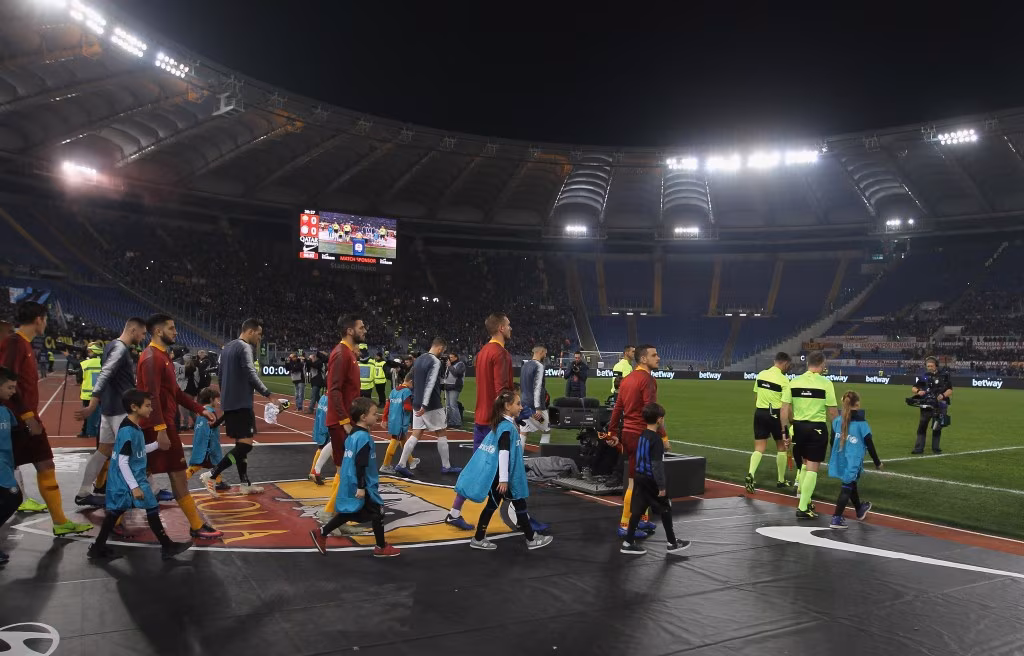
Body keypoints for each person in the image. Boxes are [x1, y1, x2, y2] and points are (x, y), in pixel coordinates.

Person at [0, 301, 93, 536]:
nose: (46, 323)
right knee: (24, 468)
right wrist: (27, 416)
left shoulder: (23, 344)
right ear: (39, 319)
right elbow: (6, 381)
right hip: (18, 419)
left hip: (22, 418)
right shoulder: (15, 343)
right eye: (46, 319)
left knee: (43, 463)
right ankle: (60, 522)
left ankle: (60, 522)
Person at [136, 313, 222, 540]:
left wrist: (199, 409)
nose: (176, 332)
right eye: (172, 328)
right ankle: (196, 525)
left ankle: (113, 521)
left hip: (160, 424)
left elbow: (174, 392)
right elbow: (152, 396)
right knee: (174, 474)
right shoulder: (152, 358)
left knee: (141, 474)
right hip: (158, 426)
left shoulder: (162, 356)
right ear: (158, 331)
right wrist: (161, 430)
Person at [87, 389, 193, 561]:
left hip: (125, 479)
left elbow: (138, 450)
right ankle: (167, 546)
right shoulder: (128, 431)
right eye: (148, 406)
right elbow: (123, 462)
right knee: (150, 508)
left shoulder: (132, 426)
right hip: (129, 479)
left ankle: (97, 547)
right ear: (134, 407)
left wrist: (156, 445)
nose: (151, 409)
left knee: (115, 512)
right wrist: (134, 487)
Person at [454, 389, 553, 551]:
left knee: (515, 505)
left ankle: (528, 537)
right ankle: (526, 538)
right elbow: (504, 453)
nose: (521, 407)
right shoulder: (506, 428)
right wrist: (504, 480)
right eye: (518, 404)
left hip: (503, 476)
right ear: (507, 406)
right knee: (502, 506)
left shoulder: (503, 424)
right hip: (502, 478)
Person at [445, 313, 514, 531]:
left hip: (481, 419)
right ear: (501, 328)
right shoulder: (500, 353)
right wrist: (518, 415)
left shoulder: (482, 352)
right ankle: (524, 521)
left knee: (477, 468)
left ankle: (454, 512)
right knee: (510, 469)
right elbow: (502, 392)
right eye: (508, 325)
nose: (511, 328)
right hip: (496, 422)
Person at [309, 397, 401, 558]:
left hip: (351, 479)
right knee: (377, 512)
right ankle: (380, 547)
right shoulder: (364, 438)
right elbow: (361, 464)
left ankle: (322, 533)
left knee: (352, 512)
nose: (377, 416)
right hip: (363, 482)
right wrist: (361, 486)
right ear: (364, 417)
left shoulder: (352, 435)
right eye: (374, 414)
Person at [74, 318, 147, 508]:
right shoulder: (120, 348)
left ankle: (83, 492)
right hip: (121, 411)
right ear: (133, 330)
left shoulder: (111, 346)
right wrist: (92, 404)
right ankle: (145, 492)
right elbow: (105, 373)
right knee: (133, 453)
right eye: (142, 333)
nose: (143, 337)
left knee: (104, 451)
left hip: (109, 409)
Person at [201, 319, 275, 496]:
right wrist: (268, 394)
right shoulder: (245, 347)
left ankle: (244, 483)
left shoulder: (226, 348)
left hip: (231, 403)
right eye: (259, 334)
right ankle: (212, 474)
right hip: (242, 403)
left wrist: (225, 398)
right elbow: (250, 373)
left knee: (240, 444)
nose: (260, 338)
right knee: (246, 446)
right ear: (250, 331)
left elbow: (220, 376)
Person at [606, 344, 668, 539]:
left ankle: (642, 519)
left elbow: (618, 408)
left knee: (644, 481)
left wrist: (612, 431)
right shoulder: (647, 380)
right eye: (654, 355)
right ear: (643, 359)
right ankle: (625, 524)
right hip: (642, 435)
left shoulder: (627, 380)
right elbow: (651, 410)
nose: (658, 358)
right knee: (636, 482)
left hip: (628, 434)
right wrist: (663, 436)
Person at [620, 403, 691, 556]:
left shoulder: (643, 435)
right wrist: (662, 487)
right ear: (659, 420)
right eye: (663, 418)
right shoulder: (656, 440)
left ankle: (628, 542)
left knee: (637, 510)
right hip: (651, 479)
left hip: (639, 477)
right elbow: (656, 465)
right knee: (665, 507)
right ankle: (672, 543)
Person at [780, 350, 838, 520]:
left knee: (805, 464)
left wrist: (784, 432)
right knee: (812, 468)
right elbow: (833, 412)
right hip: (816, 428)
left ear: (807, 363)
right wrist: (837, 432)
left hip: (798, 428)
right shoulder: (826, 383)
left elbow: (784, 410)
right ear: (823, 364)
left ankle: (805, 499)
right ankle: (803, 507)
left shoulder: (793, 382)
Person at [320, 315, 366, 519]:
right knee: (345, 470)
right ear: (350, 330)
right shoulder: (341, 354)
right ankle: (331, 514)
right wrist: (345, 421)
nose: (365, 330)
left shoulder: (349, 354)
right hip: (342, 423)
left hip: (347, 420)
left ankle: (335, 514)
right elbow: (334, 390)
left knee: (347, 469)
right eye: (361, 327)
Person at [395, 338, 461, 477]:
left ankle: (401, 464)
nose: (443, 352)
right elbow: (430, 384)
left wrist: (418, 400)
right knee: (441, 432)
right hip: (431, 404)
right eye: (443, 350)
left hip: (416, 402)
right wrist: (425, 404)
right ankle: (446, 466)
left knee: (416, 433)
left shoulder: (419, 359)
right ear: (440, 348)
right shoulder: (435, 362)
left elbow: (412, 379)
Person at [828, 391, 882, 529]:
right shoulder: (862, 423)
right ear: (857, 404)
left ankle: (859, 510)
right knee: (846, 487)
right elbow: (869, 444)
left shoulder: (837, 421)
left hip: (839, 458)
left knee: (851, 483)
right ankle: (836, 518)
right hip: (853, 460)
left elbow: (832, 441)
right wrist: (877, 462)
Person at [745, 352, 793, 494]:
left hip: (760, 412)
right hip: (775, 414)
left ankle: (750, 474)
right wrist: (786, 426)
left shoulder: (761, 374)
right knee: (781, 447)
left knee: (759, 447)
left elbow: (756, 396)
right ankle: (781, 480)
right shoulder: (784, 380)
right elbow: (785, 407)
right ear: (785, 363)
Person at [186, 388, 230, 492]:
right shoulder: (210, 412)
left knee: (213, 463)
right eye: (216, 399)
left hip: (201, 441)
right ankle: (184, 478)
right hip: (208, 443)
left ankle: (218, 481)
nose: (218, 402)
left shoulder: (201, 411)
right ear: (211, 399)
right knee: (202, 463)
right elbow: (212, 426)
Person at [0, 367, 23, 564]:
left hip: (6, 465)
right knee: (13, 498)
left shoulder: (6, 411)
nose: (13, 391)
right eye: (9, 387)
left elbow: (13, 436)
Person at [910, 356, 952, 455]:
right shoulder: (924, 376)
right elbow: (914, 388)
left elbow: (950, 390)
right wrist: (918, 391)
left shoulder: (944, 376)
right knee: (922, 426)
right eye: (928, 366)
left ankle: (936, 448)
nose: (929, 368)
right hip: (927, 404)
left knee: (937, 427)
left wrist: (943, 395)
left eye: (931, 366)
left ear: (936, 365)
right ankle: (918, 448)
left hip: (940, 405)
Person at [379, 371, 414, 475]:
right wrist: (416, 408)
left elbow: (387, 406)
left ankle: (411, 460)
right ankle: (385, 465)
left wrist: (384, 418)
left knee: (403, 440)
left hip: (393, 420)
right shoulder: (407, 392)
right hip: (401, 422)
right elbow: (407, 408)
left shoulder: (394, 391)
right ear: (411, 381)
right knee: (394, 441)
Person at [519, 345, 552, 444]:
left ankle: (518, 454)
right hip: (534, 407)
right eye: (545, 353)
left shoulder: (525, 365)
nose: (545, 355)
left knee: (524, 432)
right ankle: (543, 452)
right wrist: (538, 408)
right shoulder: (539, 366)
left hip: (524, 405)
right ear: (541, 352)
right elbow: (538, 388)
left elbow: (522, 386)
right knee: (546, 429)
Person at [76, 342, 103, 439]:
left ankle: (86, 431)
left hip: (88, 395)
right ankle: (100, 431)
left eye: (89, 351)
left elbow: (79, 379)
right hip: (101, 394)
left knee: (87, 413)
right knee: (101, 414)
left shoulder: (84, 364)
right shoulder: (105, 363)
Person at [309, 392, 330, 485]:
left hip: (321, 426)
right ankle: (314, 472)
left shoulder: (323, 397)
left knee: (323, 448)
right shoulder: (330, 400)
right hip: (325, 427)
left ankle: (313, 471)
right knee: (326, 448)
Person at [442, 352, 466, 428]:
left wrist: (449, 366)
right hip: (447, 386)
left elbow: (457, 373)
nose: (450, 359)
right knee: (448, 406)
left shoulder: (460, 364)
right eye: (449, 357)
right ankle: (450, 421)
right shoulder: (449, 364)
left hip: (455, 386)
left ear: (456, 357)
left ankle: (457, 422)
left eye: (452, 357)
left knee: (453, 405)